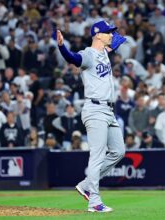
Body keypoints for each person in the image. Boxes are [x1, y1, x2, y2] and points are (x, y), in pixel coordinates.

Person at [56, 20, 126, 212]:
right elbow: (72, 59)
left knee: (119, 151)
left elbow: (119, 39)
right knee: (97, 156)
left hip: (108, 111)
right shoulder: (89, 54)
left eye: (111, 33)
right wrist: (62, 46)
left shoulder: (104, 50)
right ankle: (94, 201)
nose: (112, 35)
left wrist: (113, 37)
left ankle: (86, 184)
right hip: (95, 110)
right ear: (97, 35)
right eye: (108, 32)